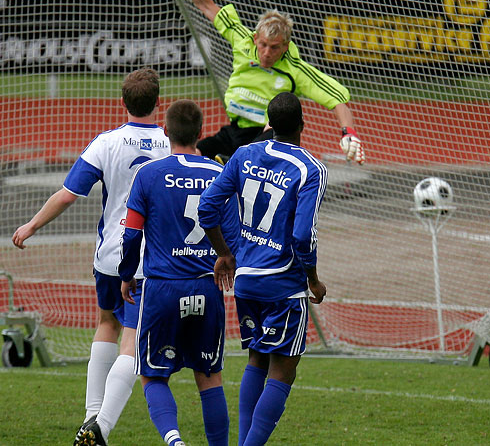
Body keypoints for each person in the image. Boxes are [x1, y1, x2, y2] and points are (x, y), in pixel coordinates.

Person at [11, 68, 170, 445]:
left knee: (106, 324)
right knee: (133, 340)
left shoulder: (106, 142)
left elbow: (68, 194)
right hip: (152, 259)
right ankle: (101, 428)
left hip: (111, 254)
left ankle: (89, 417)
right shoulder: (171, 143)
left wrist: (32, 226)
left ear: (122, 102)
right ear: (158, 104)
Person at [139, 0, 364, 166]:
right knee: (190, 155)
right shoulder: (241, 39)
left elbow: (337, 99)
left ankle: (232, 166)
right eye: (263, 45)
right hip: (235, 131)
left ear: (285, 47)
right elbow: (205, 4)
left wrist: (349, 132)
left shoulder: (295, 69)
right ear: (255, 38)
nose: (267, 53)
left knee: (255, 146)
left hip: (268, 139)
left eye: (274, 48)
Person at [198, 91, 328, 446]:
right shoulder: (310, 169)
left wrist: (225, 253)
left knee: (257, 356)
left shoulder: (243, 155)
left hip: (246, 282)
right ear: (303, 125)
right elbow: (302, 235)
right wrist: (313, 279)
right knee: (284, 367)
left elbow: (207, 207)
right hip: (283, 285)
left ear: (268, 125)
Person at [118, 99, 236, 446]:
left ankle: (174, 440)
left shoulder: (149, 175)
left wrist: (127, 275)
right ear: (201, 133)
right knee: (209, 376)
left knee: (152, 376)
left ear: (165, 131)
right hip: (207, 288)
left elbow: (131, 234)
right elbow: (230, 236)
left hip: (162, 290)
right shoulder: (219, 174)